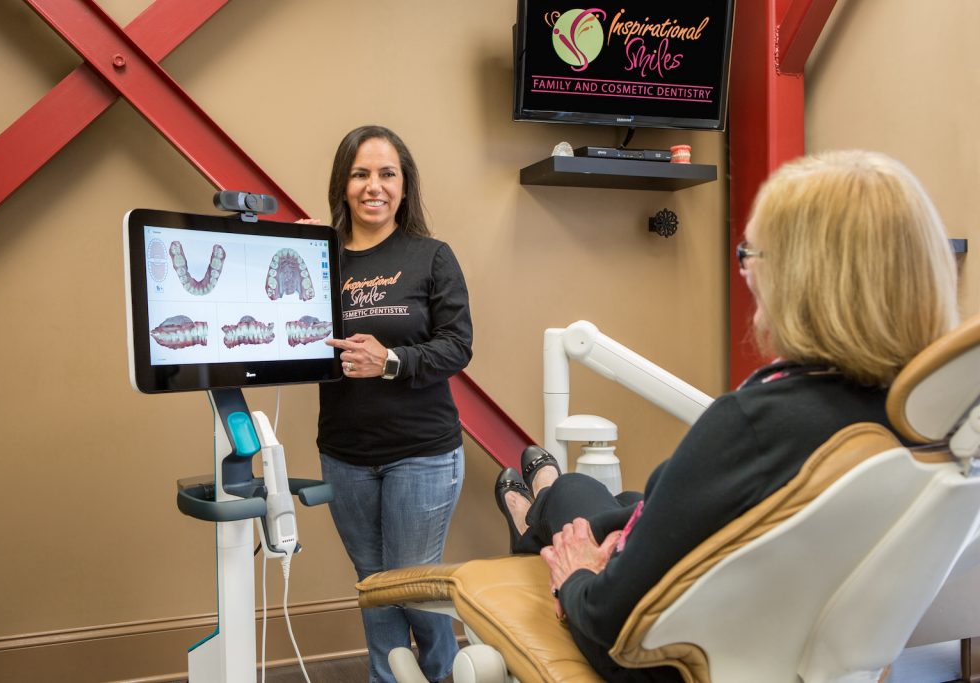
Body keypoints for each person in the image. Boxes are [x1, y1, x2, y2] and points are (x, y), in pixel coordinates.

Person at [494, 149, 960, 682]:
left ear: (803, 278)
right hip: (806, 635)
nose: (747, 273)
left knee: (577, 498)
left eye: (752, 254)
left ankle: (538, 511)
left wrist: (576, 577)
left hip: (673, 658)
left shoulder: (756, 422)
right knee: (618, 505)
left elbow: (609, 619)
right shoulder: (932, 420)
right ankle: (549, 499)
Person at [314, 125, 472, 683]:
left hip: (422, 453)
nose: (373, 186)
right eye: (360, 174)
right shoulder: (320, 260)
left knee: (411, 586)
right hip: (344, 453)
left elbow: (457, 347)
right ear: (343, 184)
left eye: (387, 174)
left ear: (405, 186)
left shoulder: (430, 256)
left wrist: (392, 361)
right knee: (373, 587)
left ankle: (444, 675)